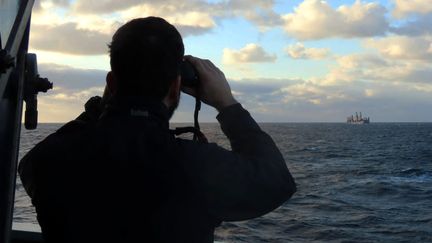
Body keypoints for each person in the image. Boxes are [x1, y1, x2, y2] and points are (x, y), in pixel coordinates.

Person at [19, 17, 296, 243]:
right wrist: (227, 103)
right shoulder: (197, 167)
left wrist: (105, 106)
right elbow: (276, 182)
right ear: (176, 87)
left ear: (111, 83)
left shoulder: (50, 160)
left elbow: (37, 162)